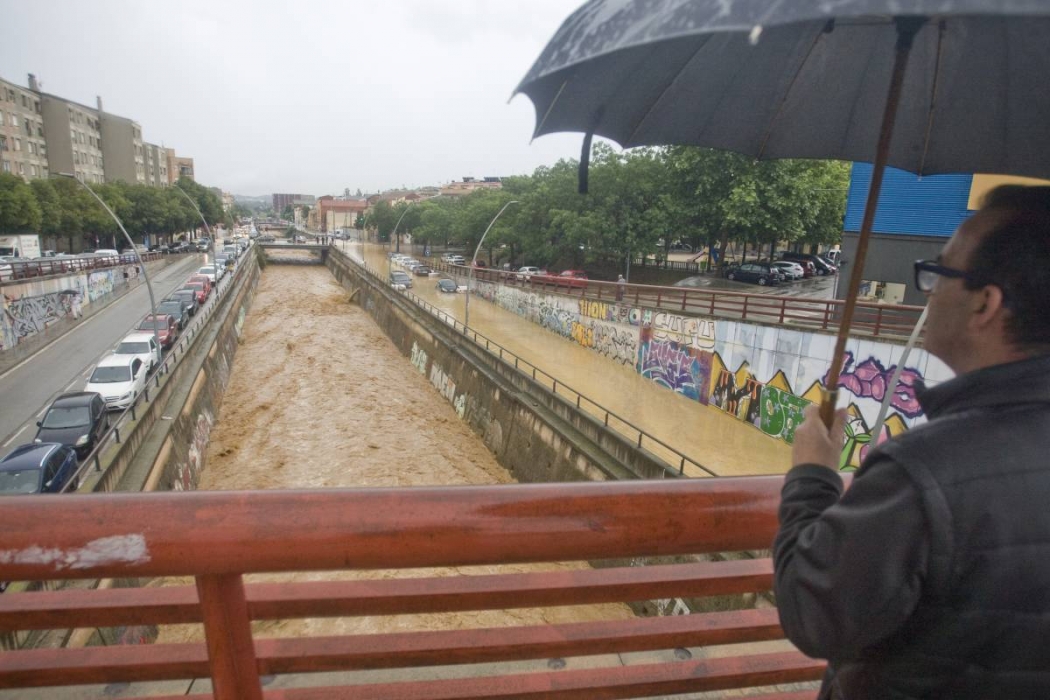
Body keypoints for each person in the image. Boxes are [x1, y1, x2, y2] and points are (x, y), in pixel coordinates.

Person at [773, 185, 1050, 699]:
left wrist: (812, 475)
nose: (929, 290)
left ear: (985, 304)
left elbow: (812, 615)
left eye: (940, 273)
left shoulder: (922, 470)